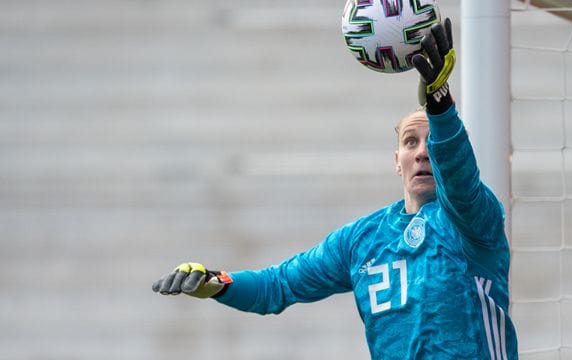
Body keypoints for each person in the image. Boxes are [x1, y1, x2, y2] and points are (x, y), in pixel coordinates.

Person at [152, 18, 518, 359]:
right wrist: (218, 283)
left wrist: (439, 103)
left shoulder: (474, 221)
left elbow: (460, 179)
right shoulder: (362, 240)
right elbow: (277, 286)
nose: (422, 152)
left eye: (430, 141)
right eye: (410, 142)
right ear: (396, 161)